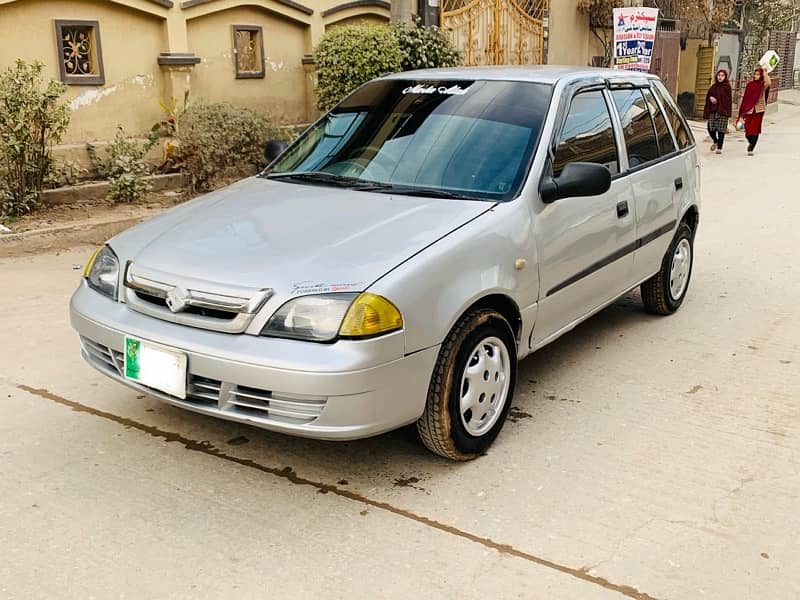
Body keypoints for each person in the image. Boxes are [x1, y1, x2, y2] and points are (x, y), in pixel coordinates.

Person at [737, 66, 772, 156]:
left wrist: (764, 71)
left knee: (755, 129)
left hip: (759, 109)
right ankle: (750, 141)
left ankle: (752, 147)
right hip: (749, 110)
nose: (756, 76)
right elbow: (746, 98)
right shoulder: (750, 85)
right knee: (748, 131)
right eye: (755, 74)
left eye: (758, 74)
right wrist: (742, 111)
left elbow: (768, 82)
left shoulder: (762, 85)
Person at [703, 69, 732, 154]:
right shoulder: (714, 87)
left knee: (721, 130)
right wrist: (710, 98)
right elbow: (709, 95)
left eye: (722, 75)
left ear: (725, 77)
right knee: (710, 128)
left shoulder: (727, 87)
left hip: (722, 112)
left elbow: (727, 100)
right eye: (719, 75)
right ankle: (715, 141)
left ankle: (719, 147)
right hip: (713, 110)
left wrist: (718, 101)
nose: (720, 77)